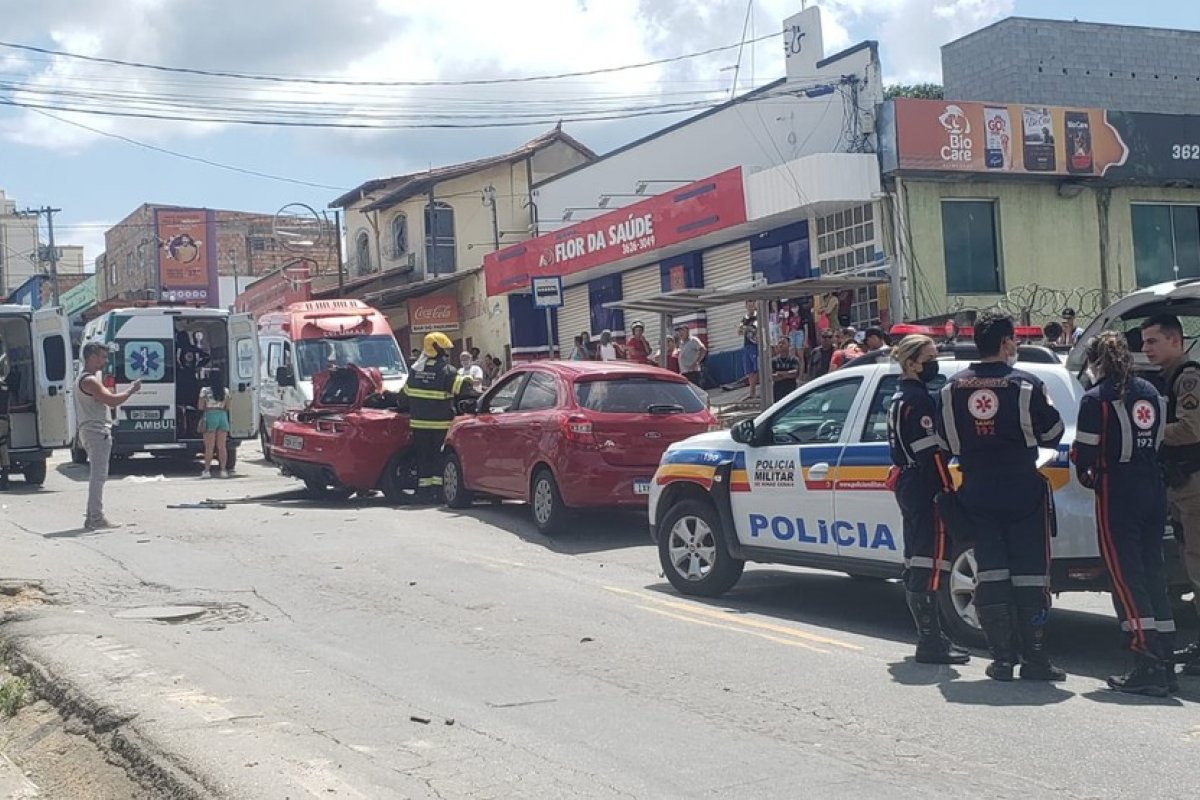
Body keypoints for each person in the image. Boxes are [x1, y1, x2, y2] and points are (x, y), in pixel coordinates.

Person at [937, 311, 1066, 681]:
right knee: (1030, 574)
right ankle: (1036, 659)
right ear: (1008, 342)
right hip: (1022, 488)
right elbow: (1053, 432)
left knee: (990, 573)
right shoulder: (1026, 385)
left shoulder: (950, 389)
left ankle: (1002, 660)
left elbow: (946, 442)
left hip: (976, 488)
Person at [1072, 332, 1176, 696]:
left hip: (1119, 490)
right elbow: (1160, 441)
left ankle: (1146, 660)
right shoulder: (1150, 391)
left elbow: (1083, 453)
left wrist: (1085, 470)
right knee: (1153, 573)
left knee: (1125, 575)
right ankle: (1165, 658)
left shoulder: (1095, 399)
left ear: (1094, 361)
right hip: (1153, 487)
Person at [887, 334, 969, 665]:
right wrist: (946, 488)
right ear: (911, 363)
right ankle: (930, 640)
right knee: (928, 559)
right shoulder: (918, 400)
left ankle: (931, 637)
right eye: (930, 356)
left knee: (917, 557)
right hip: (923, 483)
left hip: (908, 481)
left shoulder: (900, 396)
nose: (935, 362)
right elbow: (930, 453)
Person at [1140, 313, 1200, 676]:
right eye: (1144, 342)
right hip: (1181, 487)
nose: (1145, 348)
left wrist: (1148, 429)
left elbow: (1192, 428)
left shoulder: (1188, 377)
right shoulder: (1168, 378)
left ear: (1176, 341)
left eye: (1153, 341)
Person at [75, 342, 142, 530]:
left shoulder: (85, 379)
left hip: (90, 430)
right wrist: (131, 390)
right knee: (98, 476)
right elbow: (113, 401)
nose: (105, 361)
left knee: (98, 475)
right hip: (96, 431)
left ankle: (94, 516)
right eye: (102, 357)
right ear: (92, 356)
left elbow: (103, 398)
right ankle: (95, 518)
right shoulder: (89, 380)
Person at [402, 332, 474, 504]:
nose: (446, 353)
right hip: (440, 424)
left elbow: (404, 396)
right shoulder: (447, 370)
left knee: (423, 457)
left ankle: (423, 493)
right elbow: (461, 389)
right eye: (444, 349)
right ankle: (439, 492)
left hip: (419, 425)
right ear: (437, 349)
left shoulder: (415, 370)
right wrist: (468, 380)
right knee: (439, 458)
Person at [198, 367, 232, 478]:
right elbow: (227, 407)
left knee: (209, 447)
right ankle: (223, 470)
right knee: (222, 447)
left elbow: (200, 406)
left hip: (210, 416)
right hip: (222, 417)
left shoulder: (205, 391)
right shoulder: (225, 391)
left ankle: (207, 471)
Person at [738, 302, 759, 400]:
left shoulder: (758, 316)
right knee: (749, 370)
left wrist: (746, 329)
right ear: (745, 306)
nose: (750, 308)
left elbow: (754, 328)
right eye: (748, 306)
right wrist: (745, 329)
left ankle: (757, 391)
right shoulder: (744, 318)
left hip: (755, 345)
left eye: (752, 305)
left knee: (756, 369)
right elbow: (739, 331)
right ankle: (752, 392)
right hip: (746, 345)